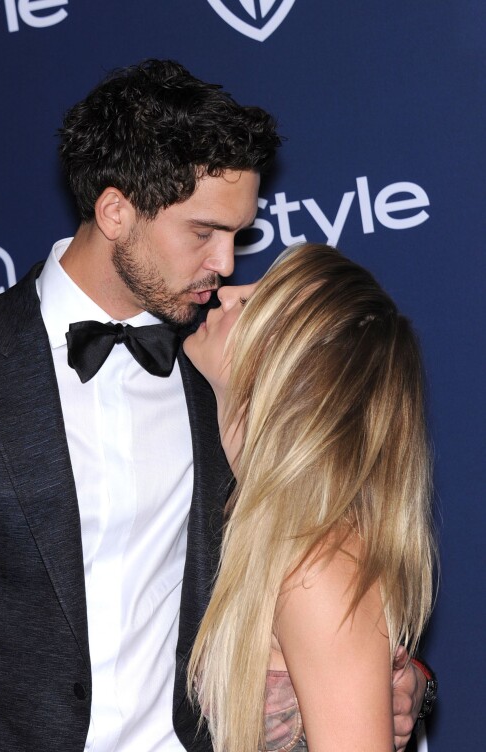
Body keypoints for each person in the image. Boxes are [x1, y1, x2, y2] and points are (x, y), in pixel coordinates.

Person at [0, 61, 427, 752]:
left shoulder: (226, 381)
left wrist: (400, 678)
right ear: (116, 210)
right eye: (203, 232)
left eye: (238, 236)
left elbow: (318, 574)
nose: (225, 264)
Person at [184, 242, 437, 752]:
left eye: (252, 304)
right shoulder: (266, 525)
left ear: (285, 365)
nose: (226, 292)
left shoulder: (315, 561)